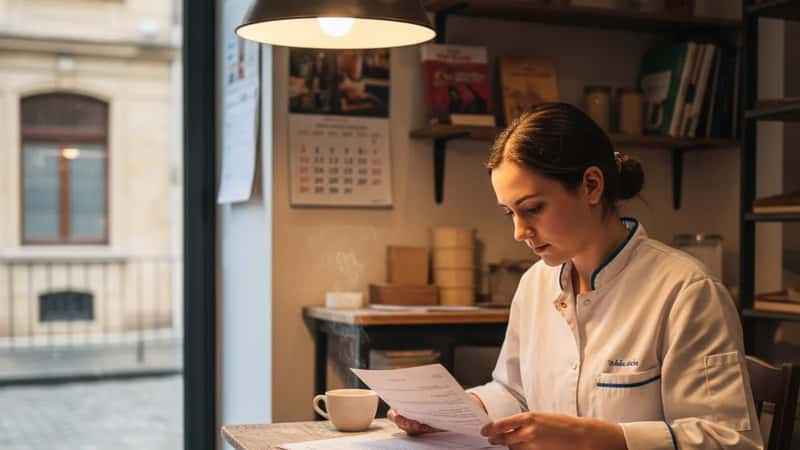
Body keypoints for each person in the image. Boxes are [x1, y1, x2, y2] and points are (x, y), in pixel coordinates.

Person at [388, 102, 763, 450]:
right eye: (510, 213)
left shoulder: (686, 291)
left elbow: (729, 439)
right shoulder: (535, 283)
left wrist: (599, 437)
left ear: (591, 185)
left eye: (532, 208)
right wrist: (451, 411)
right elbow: (513, 392)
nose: (520, 232)